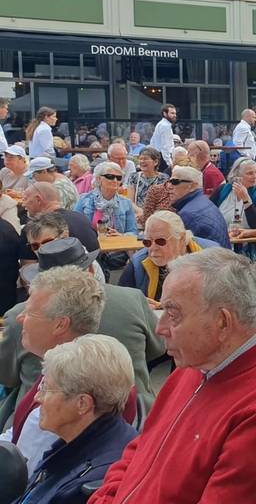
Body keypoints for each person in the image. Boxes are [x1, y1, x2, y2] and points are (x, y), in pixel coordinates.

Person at [91, 249, 256, 503]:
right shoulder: (195, 365)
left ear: (222, 322)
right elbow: (142, 447)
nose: (160, 327)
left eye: (173, 314)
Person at [2, 266, 108, 476]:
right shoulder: (63, 366)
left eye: (30, 312)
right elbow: (17, 435)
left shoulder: (65, 394)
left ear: (60, 325)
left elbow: (25, 471)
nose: (20, 318)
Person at [16, 335, 137, 504]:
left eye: (46, 388)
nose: (37, 397)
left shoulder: (85, 486)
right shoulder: (104, 438)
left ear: (82, 404)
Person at [119, 210, 218, 303]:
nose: (153, 248)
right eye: (147, 242)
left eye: (160, 241)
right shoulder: (138, 264)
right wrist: (141, 307)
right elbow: (122, 302)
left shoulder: (212, 257)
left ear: (181, 239)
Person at [17, 183, 99, 263]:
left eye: (25, 199)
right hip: (93, 272)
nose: (23, 204)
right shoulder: (81, 218)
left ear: (38, 199)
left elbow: (27, 269)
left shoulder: (32, 230)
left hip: (59, 275)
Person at [167, 166, 229, 249]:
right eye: (169, 182)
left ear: (192, 186)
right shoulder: (203, 202)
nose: (169, 186)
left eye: (174, 182)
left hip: (211, 260)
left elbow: (179, 250)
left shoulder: (188, 214)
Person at [211, 157, 256, 240]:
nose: (255, 176)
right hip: (221, 239)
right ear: (237, 175)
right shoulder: (223, 190)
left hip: (249, 244)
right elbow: (209, 213)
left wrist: (246, 200)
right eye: (250, 173)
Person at [73, 162, 137, 236]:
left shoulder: (126, 203)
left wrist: (121, 236)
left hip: (117, 245)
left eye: (119, 178)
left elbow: (133, 232)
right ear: (99, 179)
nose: (115, 180)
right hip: (91, 245)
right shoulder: (84, 200)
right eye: (110, 176)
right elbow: (75, 227)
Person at [123, 147, 168, 212]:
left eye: (145, 159)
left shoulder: (164, 178)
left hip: (156, 215)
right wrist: (141, 212)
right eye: (140, 159)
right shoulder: (133, 177)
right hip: (138, 214)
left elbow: (163, 202)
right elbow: (130, 201)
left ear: (155, 162)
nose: (142, 161)